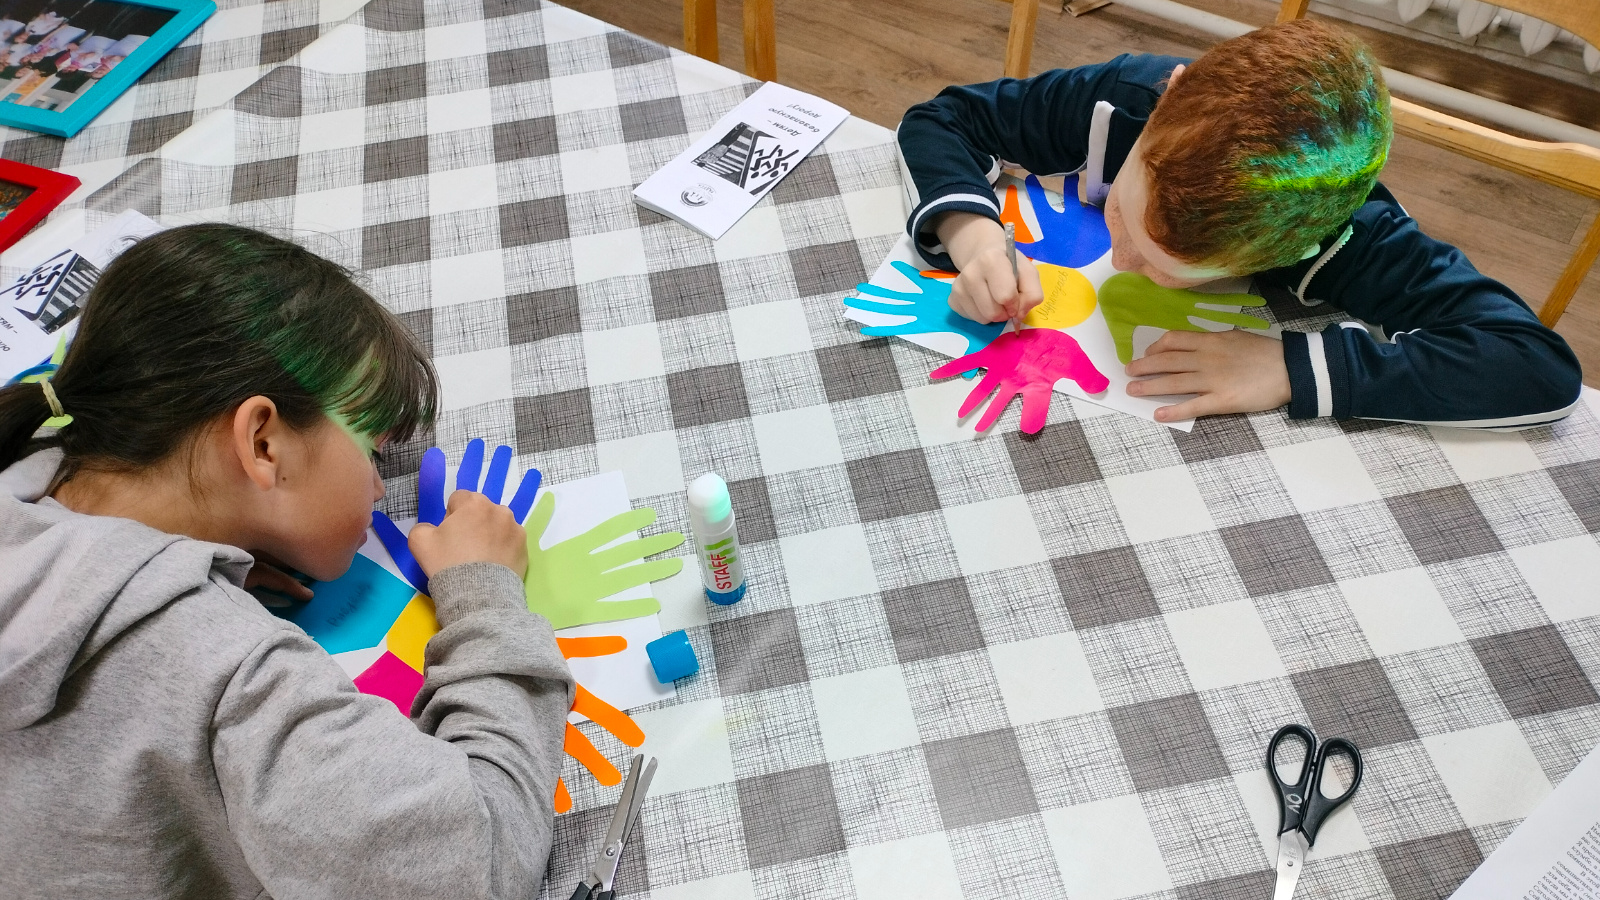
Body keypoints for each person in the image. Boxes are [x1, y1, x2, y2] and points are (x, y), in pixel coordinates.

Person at [0, 225, 574, 898]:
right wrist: (484, 594)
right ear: (263, 443)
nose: (379, 489)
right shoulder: (229, 676)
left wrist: (203, 558)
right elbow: (485, 861)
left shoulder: (28, 475)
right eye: (372, 451)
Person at [898, 19, 1583, 427]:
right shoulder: (1131, 101)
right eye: (1122, 217)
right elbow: (943, 117)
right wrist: (973, 232)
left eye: (1170, 267)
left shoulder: (1353, 239)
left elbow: (1537, 368)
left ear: (1302, 246)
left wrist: (1294, 367)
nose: (1128, 258)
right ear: (1171, 98)